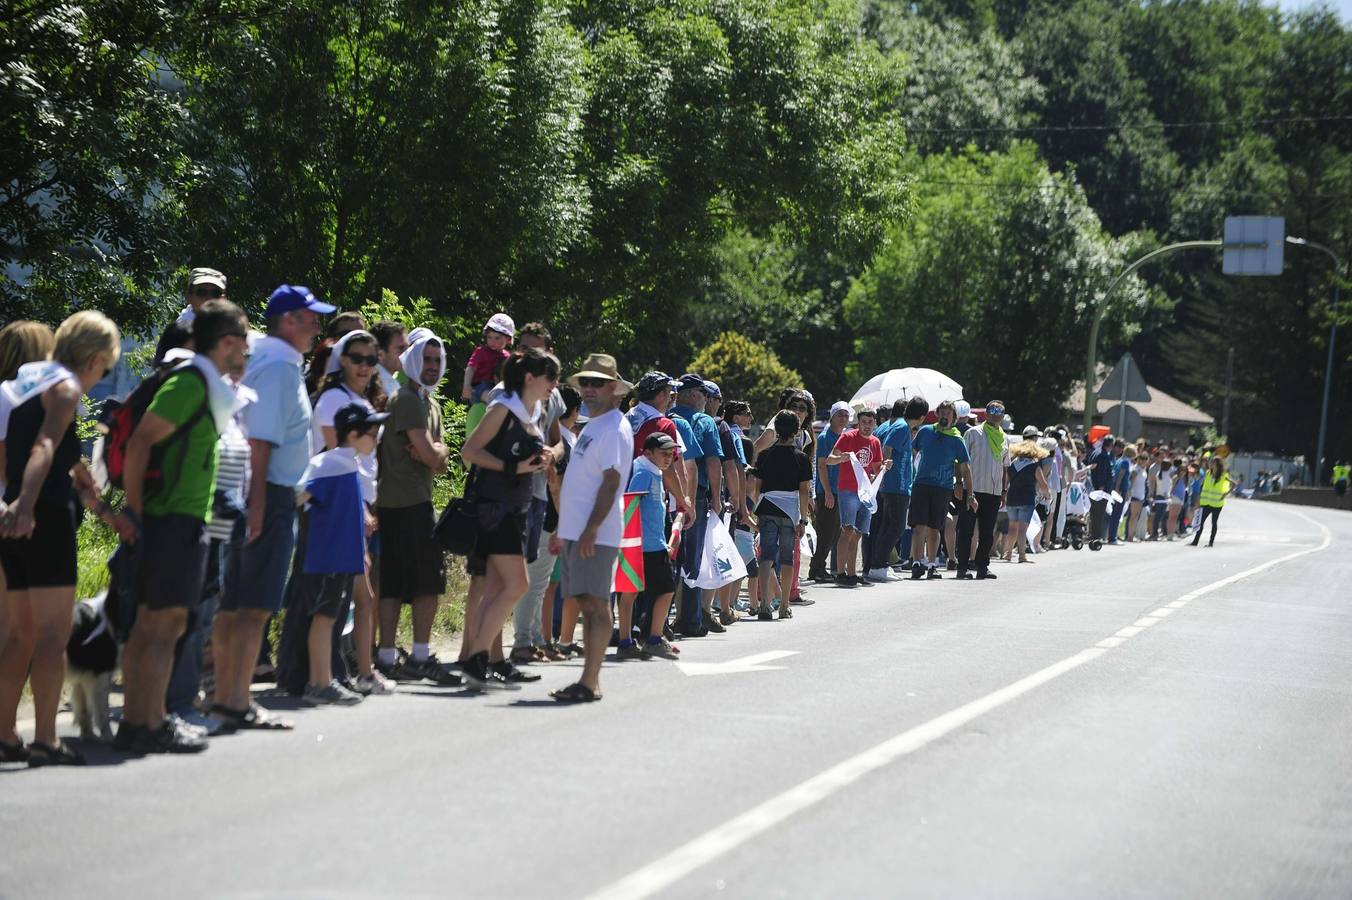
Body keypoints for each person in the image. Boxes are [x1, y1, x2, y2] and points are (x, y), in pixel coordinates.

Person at [117, 300, 248, 754]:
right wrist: (134, 512)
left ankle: (142, 721)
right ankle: (149, 722)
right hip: (171, 519)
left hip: (181, 519)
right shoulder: (191, 382)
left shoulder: (203, 383)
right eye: (243, 342)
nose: (247, 351)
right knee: (162, 625)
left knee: (158, 624)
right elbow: (139, 443)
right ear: (227, 342)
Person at [0, 311, 121, 765]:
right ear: (91, 358)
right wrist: (28, 505)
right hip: (43, 519)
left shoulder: (30, 385)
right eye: (105, 367)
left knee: (20, 636)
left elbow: (59, 452)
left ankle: (5, 734)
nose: (100, 377)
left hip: (14, 522)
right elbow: (44, 448)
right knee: (54, 633)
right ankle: (47, 738)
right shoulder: (66, 389)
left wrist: (99, 504)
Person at [213, 285, 334, 733]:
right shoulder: (281, 368)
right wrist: (260, 504)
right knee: (254, 606)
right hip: (269, 494)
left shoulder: (263, 359)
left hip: (251, 491)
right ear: (288, 320)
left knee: (235, 604)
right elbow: (260, 440)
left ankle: (226, 696)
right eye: (310, 317)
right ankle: (236, 700)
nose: (317, 326)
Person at [458, 348, 558, 690]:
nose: (554, 386)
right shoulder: (503, 407)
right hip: (495, 507)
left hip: (516, 507)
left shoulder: (535, 409)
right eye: (550, 378)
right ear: (529, 378)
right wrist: (512, 467)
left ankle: (487, 659)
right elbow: (469, 451)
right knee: (518, 584)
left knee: (499, 587)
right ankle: (476, 658)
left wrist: (540, 456)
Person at [374, 329, 460, 685]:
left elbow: (437, 455)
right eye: (426, 358)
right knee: (425, 583)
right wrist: (435, 452)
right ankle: (419, 657)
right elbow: (431, 455)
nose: (432, 366)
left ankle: (388, 656)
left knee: (397, 582)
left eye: (437, 360)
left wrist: (435, 452)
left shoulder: (431, 402)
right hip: (406, 502)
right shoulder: (408, 399)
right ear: (411, 359)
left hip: (406, 501)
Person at [549, 354, 633, 703]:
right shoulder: (594, 426)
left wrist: (590, 529)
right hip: (578, 531)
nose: (589, 389)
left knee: (595, 604)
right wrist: (565, 530)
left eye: (597, 383)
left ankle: (590, 681)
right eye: (585, 382)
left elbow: (612, 481)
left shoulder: (613, 426)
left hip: (594, 533)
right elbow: (583, 482)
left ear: (614, 389)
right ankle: (588, 680)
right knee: (587, 602)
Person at [292, 404, 388, 704]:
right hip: (327, 555)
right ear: (353, 434)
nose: (376, 438)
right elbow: (299, 495)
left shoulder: (348, 464)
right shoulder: (331, 463)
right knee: (323, 617)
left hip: (343, 556)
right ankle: (319, 683)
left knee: (330, 616)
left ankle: (325, 680)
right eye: (371, 432)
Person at [507, 323, 568, 666]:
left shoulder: (553, 394)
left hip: (542, 491)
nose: (528, 356)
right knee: (516, 572)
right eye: (523, 348)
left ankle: (531, 639)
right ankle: (521, 643)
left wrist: (552, 456)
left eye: (536, 350)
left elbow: (558, 440)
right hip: (509, 492)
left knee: (539, 572)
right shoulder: (507, 391)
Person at [668, 373, 723, 637]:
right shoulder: (703, 421)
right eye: (704, 394)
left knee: (667, 557)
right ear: (691, 394)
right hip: (694, 496)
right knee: (692, 558)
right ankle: (690, 620)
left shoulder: (664, 417)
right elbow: (713, 462)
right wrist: (716, 497)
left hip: (663, 494)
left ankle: (659, 620)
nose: (707, 400)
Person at [617, 432, 680, 658]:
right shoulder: (644, 472)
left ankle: (639, 639)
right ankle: (645, 639)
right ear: (647, 453)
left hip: (652, 544)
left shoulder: (654, 472)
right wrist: (628, 542)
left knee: (647, 592)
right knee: (657, 591)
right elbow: (631, 505)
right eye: (663, 453)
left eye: (671, 453)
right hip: (644, 545)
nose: (668, 457)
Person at [750, 410, 813, 619]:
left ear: (775, 430)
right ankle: (785, 604)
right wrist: (803, 518)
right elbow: (804, 490)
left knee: (766, 557)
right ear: (796, 431)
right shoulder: (801, 458)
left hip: (767, 507)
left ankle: (765, 603)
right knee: (787, 559)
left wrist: (755, 510)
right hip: (789, 510)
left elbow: (757, 486)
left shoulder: (765, 455)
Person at [908, 400, 974, 580]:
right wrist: (913, 471)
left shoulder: (957, 439)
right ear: (937, 414)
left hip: (943, 487)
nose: (945, 416)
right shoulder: (925, 431)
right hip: (921, 484)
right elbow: (912, 451)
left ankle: (931, 564)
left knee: (934, 528)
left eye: (948, 413)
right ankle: (916, 563)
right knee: (919, 526)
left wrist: (970, 493)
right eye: (942, 412)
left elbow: (965, 467)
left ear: (954, 417)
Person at [825, 409, 889, 587]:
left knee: (858, 533)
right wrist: (841, 458)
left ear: (874, 423)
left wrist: (884, 467)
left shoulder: (875, 442)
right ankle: (839, 572)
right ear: (858, 423)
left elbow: (876, 468)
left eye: (870, 422)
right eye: (864, 422)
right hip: (847, 490)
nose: (867, 426)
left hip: (865, 492)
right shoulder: (848, 437)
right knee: (847, 530)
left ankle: (852, 573)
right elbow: (829, 459)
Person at [956, 400, 1010, 580]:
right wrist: (958, 483)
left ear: (1003, 415)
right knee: (966, 530)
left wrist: (1004, 491)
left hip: (993, 492)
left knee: (987, 533)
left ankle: (982, 566)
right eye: (992, 411)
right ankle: (962, 567)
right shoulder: (973, 433)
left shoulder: (1004, 438)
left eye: (999, 411)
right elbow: (960, 460)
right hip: (972, 489)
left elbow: (1005, 467)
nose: (995, 414)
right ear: (986, 414)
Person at [809, 401, 849, 583]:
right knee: (825, 532)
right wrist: (827, 492)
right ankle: (816, 568)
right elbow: (822, 466)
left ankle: (820, 567)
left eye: (846, 415)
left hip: (839, 490)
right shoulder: (826, 437)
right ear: (832, 416)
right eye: (840, 414)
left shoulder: (843, 436)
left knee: (834, 532)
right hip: (828, 491)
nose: (843, 418)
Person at [1005, 431, 1050, 564]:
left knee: (1012, 527)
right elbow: (1043, 483)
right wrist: (1047, 495)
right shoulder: (1034, 465)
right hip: (1027, 498)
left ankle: (1008, 553)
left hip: (1012, 498)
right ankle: (1022, 555)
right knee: (1023, 528)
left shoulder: (1013, 464)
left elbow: (1006, 481)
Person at [461, 312, 514, 404]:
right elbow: (471, 368)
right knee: (494, 398)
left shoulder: (507, 357)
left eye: (497, 338)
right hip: (479, 388)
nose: (492, 341)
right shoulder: (481, 352)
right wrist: (466, 386)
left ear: (508, 339)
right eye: (489, 337)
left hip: (498, 387)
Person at [1192, 458, 1234, 547]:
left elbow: (1234, 484)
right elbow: (1203, 486)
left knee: (1214, 523)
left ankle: (1211, 542)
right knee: (1201, 521)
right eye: (1211, 463)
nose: (1211, 465)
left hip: (1217, 503)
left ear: (1218, 465)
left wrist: (1225, 494)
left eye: (1213, 463)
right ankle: (1195, 541)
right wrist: (1199, 498)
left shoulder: (1223, 475)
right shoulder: (1208, 473)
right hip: (1206, 502)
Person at [370, 319, 408, 399]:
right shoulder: (377, 387)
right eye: (401, 348)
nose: (407, 353)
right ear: (380, 353)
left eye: (407, 348)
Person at [1124, 444, 1146, 542]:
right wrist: (1129, 493)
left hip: (1141, 495)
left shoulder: (1143, 470)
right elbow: (1131, 482)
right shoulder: (1135, 469)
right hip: (1134, 495)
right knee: (1133, 516)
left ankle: (1132, 534)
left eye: (1145, 459)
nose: (1143, 460)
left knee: (1136, 516)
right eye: (1141, 458)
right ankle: (1129, 536)